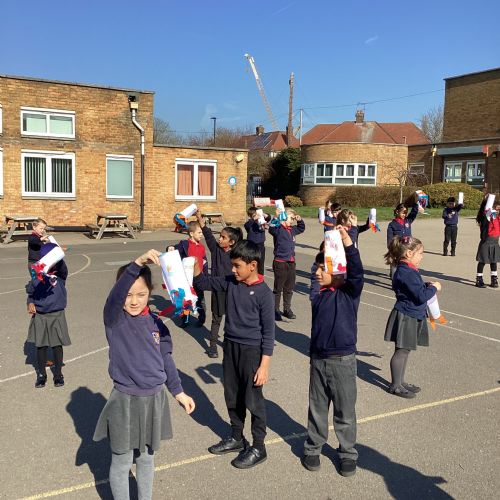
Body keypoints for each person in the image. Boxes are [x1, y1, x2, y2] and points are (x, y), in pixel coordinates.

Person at [93, 250, 195, 500]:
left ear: (150, 293)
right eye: (128, 295)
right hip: (125, 400)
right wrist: (136, 263)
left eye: (141, 294)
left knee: (147, 458)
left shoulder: (157, 323)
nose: (134, 301)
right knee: (122, 460)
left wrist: (178, 392)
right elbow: (115, 298)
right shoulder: (115, 318)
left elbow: (166, 359)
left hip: (154, 399)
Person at [193, 240, 275, 469]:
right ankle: (237, 437)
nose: (233, 270)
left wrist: (264, 366)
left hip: (252, 352)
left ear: (252, 265)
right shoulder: (231, 282)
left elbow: (269, 333)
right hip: (230, 346)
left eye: (237, 265)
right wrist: (194, 263)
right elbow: (203, 282)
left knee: (253, 400)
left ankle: (259, 446)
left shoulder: (264, 293)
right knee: (232, 395)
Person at [302, 226, 364, 477]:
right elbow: (317, 276)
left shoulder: (349, 293)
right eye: (316, 269)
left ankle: (347, 452)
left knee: (345, 410)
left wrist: (347, 241)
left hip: (343, 360)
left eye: (321, 269)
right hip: (318, 358)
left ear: (336, 270)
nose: (317, 273)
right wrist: (326, 252)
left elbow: (356, 272)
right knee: (317, 408)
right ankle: (313, 447)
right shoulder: (318, 293)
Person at [383, 236, 441, 398]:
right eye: (420, 253)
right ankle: (395, 385)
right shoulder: (406, 272)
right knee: (401, 351)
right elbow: (420, 297)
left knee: (405, 350)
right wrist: (434, 288)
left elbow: (414, 289)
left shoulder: (407, 270)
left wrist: (425, 285)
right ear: (409, 253)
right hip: (406, 315)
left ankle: (400, 381)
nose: (422, 256)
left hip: (411, 313)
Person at [196, 210, 243, 358]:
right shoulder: (216, 249)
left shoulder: (236, 254)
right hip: (217, 289)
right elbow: (207, 234)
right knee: (216, 318)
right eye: (220, 236)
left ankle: (231, 343)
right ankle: (212, 346)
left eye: (223, 237)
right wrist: (200, 219)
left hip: (232, 290)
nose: (219, 239)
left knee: (232, 319)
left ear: (232, 242)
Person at [26, 248, 70, 388]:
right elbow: (30, 292)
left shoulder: (60, 275)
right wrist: (30, 302)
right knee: (41, 346)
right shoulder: (37, 275)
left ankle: (58, 374)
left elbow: (62, 266)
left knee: (57, 346)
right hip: (41, 315)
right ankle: (41, 375)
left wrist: (58, 253)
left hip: (57, 314)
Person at [167, 221, 208, 327]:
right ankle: (185, 319)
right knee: (186, 300)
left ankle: (201, 318)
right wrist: (170, 247)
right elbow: (175, 249)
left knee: (200, 299)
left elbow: (204, 261)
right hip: (186, 279)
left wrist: (206, 275)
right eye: (199, 232)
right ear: (191, 233)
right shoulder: (184, 244)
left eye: (201, 232)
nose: (201, 235)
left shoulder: (202, 247)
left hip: (198, 278)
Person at [268, 208, 305, 321]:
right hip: (280, 262)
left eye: (294, 219)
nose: (293, 220)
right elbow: (271, 228)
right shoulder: (278, 229)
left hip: (291, 262)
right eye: (291, 218)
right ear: (284, 217)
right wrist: (276, 217)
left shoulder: (292, 229)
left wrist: (300, 220)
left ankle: (287, 309)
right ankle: (275, 310)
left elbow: (301, 228)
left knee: (289, 287)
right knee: (278, 288)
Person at [386, 199, 422, 277]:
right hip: (397, 247)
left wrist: (415, 203)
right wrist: (391, 251)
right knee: (396, 263)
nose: (404, 215)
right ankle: (393, 275)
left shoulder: (408, 221)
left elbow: (413, 213)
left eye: (406, 213)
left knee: (407, 261)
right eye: (403, 213)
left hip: (408, 246)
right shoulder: (392, 224)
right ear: (397, 212)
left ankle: (405, 276)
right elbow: (389, 239)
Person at [475, 197, 500, 288]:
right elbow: (485, 212)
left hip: (495, 242)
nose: (497, 211)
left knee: (494, 261)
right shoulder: (487, 216)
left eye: (499, 209)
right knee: (482, 261)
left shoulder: (497, 217)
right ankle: (479, 279)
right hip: (486, 241)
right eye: (496, 208)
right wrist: (487, 201)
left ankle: (494, 279)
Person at [244, 206, 270, 275]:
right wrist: (253, 219)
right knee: (252, 262)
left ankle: (260, 277)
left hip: (261, 245)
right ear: (251, 216)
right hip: (252, 245)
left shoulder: (261, 221)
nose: (258, 217)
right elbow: (246, 225)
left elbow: (268, 218)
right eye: (255, 215)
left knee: (261, 263)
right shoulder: (250, 223)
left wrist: (266, 215)